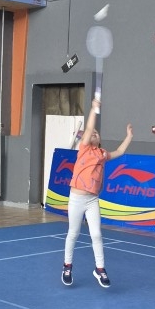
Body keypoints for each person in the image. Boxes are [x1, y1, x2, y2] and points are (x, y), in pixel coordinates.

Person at [62, 99, 133, 288]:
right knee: (73, 233)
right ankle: (67, 266)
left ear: (99, 140)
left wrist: (128, 137)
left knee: (96, 234)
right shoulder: (84, 149)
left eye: (96, 133)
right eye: (91, 132)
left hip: (92, 200)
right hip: (76, 199)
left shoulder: (102, 154)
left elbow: (119, 151)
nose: (93, 132)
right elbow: (89, 127)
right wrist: (94, 109)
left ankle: (100, 269)